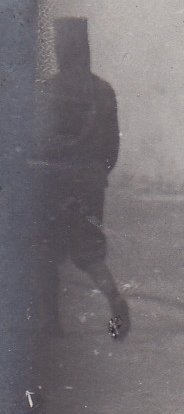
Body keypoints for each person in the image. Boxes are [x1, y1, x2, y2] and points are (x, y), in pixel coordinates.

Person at [33, 17, 130, 339]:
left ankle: (51, 323)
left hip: (56, 184)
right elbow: (112, 145)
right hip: (91, 183)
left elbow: (43, 143)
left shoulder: (49, 90)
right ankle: (115, 298)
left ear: (62, 50)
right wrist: (97, 175)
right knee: (89, 251)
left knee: (47, 251)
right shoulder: (104, 90)